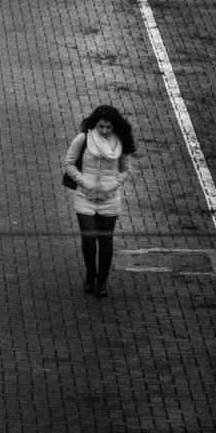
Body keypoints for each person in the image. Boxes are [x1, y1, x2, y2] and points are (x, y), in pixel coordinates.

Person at [63, 104, 136, 298]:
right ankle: (90, 275)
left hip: (109, 199)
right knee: (89, 238)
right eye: (101, 126)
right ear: (96, 124)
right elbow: (69, 164)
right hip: (84, 197)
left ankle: (102, 281)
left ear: (114, 127)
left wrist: (114, 183)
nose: (104, 130)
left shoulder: (121, 142)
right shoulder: (83, 139)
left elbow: (126, 169)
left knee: (105, 241)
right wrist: (83, 181)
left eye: (108, 127)